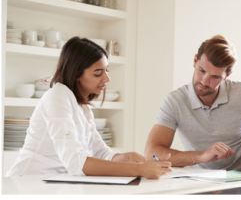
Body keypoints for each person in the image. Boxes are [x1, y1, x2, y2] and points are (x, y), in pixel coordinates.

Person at [6, 37, 172, 179]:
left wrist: (128, 157)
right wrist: (139, 170)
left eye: (107, 70)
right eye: (98, 73)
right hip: (28, 182)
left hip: (54, 183)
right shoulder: (57, 96)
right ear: (76, 74)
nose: (107, 79)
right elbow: (75, 161)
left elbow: (100, 152)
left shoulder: (83, 108)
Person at [145, 35, 241, 173]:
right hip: (198, 181)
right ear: (195, 61)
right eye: (201, 70)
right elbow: (151, 153)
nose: (204, 81)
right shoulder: (175, 101)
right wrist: (200, 156)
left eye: (215, 77)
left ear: (227, 75)